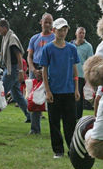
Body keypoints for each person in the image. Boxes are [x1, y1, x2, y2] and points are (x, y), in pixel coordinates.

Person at [40, 18, 80, 159]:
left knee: (70, 122)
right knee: (54, 122)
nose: (62, 32)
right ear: (54, 31)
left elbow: (75, 69)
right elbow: (44, 70)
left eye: (64, 29)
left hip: (69, 90)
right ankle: (58, 150)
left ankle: (72, 149)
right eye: (59, 30)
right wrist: (47, 90)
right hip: (54, 91)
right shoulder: (48, 48)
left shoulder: (72, 49)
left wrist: (76, 89)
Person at [0, 19, 30, 123]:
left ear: (4, 28)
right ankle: (30, 115)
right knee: (17, 95)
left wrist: (21, 71)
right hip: (11, 68)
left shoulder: (12, 38)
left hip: (12, 69)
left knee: (1, 92)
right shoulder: (6, 37)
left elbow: (19, 55)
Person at [27, 13, 55, 134]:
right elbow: (29, 56)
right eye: (46, 22)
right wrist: (33, 69)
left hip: (50, 70)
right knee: (34, 100)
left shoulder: (55, 38)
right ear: (41, 22)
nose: (47, 24)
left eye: (50, 22)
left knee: (52, 98)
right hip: (36, 70)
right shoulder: (34, 38)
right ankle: (34, 129)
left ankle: (54, 129)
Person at [72, 27, 93, 119]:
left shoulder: (88, 46)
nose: (81, 35)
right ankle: (69, 115)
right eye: (80, 33)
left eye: (83, 33)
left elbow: (90, 62)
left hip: (81, 75)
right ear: (76, 34)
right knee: (69, 96)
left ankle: (78, 117)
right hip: (69, 74)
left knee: (78, 97)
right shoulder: (70, 44)